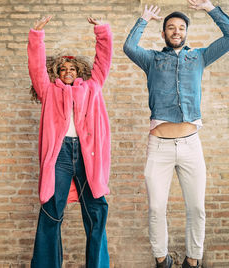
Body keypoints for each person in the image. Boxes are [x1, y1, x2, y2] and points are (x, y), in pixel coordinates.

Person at [123, 0, 229, 267]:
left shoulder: (200, 57)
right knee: (157, 208)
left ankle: (192, 261)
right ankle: (162, 259)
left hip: (191, 144)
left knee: (196, 208)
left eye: (181, 27)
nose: (176, 31)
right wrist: (143, 20)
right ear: (164, 33)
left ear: (186, 32)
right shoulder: (152, 59)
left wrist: (210, 8)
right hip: (159, 145)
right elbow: (129, 47)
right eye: (171, 27)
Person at [28, 15, 112, 268]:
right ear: (57, 72)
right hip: (60, 155)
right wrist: (37, 34)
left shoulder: (92, 86)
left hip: (88, 156)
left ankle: (98, 265)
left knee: (97, 210)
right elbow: (36, 67)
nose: (67, 73)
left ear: (80, 72)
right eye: (62, 69)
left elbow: (104, 60)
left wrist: (101, 31)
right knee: (51, 209)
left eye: (72, 69)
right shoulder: (48, 90)